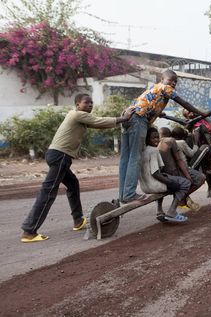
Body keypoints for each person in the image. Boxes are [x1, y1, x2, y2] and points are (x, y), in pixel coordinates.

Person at [20, 94, 134, 243]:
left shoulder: (80, 117)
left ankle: (78, 220)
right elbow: (98, 121)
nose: (90, 105)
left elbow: (98, 123)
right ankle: (29, 231)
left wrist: (120, 119)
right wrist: (124, 118)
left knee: (73, 184)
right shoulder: (77, 114)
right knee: (48, 192)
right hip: (60, 156)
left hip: (58, 156)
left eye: (91, 103)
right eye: (86, 103)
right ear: (77, 104)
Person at [118, 69, 211, 204]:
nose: (173, 83)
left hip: (128, 117)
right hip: (138, 120)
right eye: (170, 80)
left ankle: (123, 194)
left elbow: (151, 104)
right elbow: (184, 103)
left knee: (125, 159)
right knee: (135, 157)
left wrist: (158, 113)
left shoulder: (155, 89)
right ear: (162, 80)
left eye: (175, 81)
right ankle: (129, 194)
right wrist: (201, 113)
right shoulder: (166, 88)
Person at [139, 127, 191, 222]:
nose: (156, 140)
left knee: (166, 177)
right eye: (153, 138)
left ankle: (159, 211)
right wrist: (170, 183)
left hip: (145, 186)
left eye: (157, 137)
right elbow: (155, 173)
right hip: (153, 185)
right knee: (185, 183)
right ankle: (172, 212)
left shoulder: (143, 151)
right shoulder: (154, 151)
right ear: (147, 140)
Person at [157, 126, 206, 215]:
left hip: (160, 174)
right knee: (200, 178)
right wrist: (195, 142)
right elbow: (181, 159)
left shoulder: (155, 144)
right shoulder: (172, 141)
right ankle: (181, 199)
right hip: (175, 172)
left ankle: (159, 210)